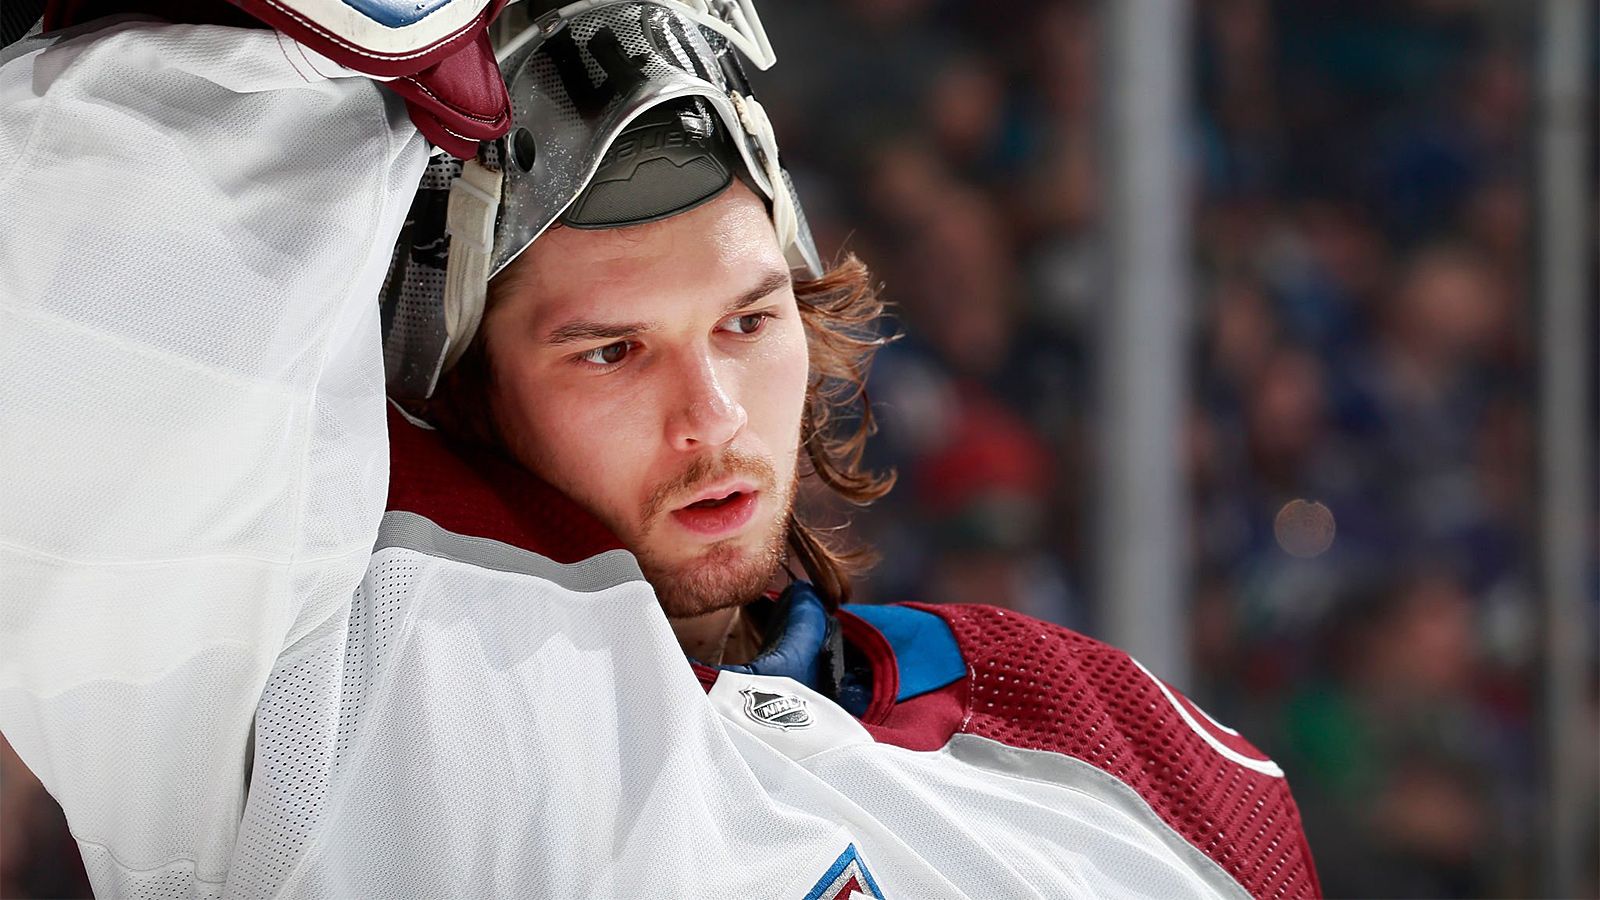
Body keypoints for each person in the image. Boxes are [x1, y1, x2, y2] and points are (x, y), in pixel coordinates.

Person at [0, 1, 1321, 897]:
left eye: (748, 322)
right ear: (454, 387)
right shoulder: (346, 657)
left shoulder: (1121, 748)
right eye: (610, 352)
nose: (714, 419)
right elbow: (78, 291)